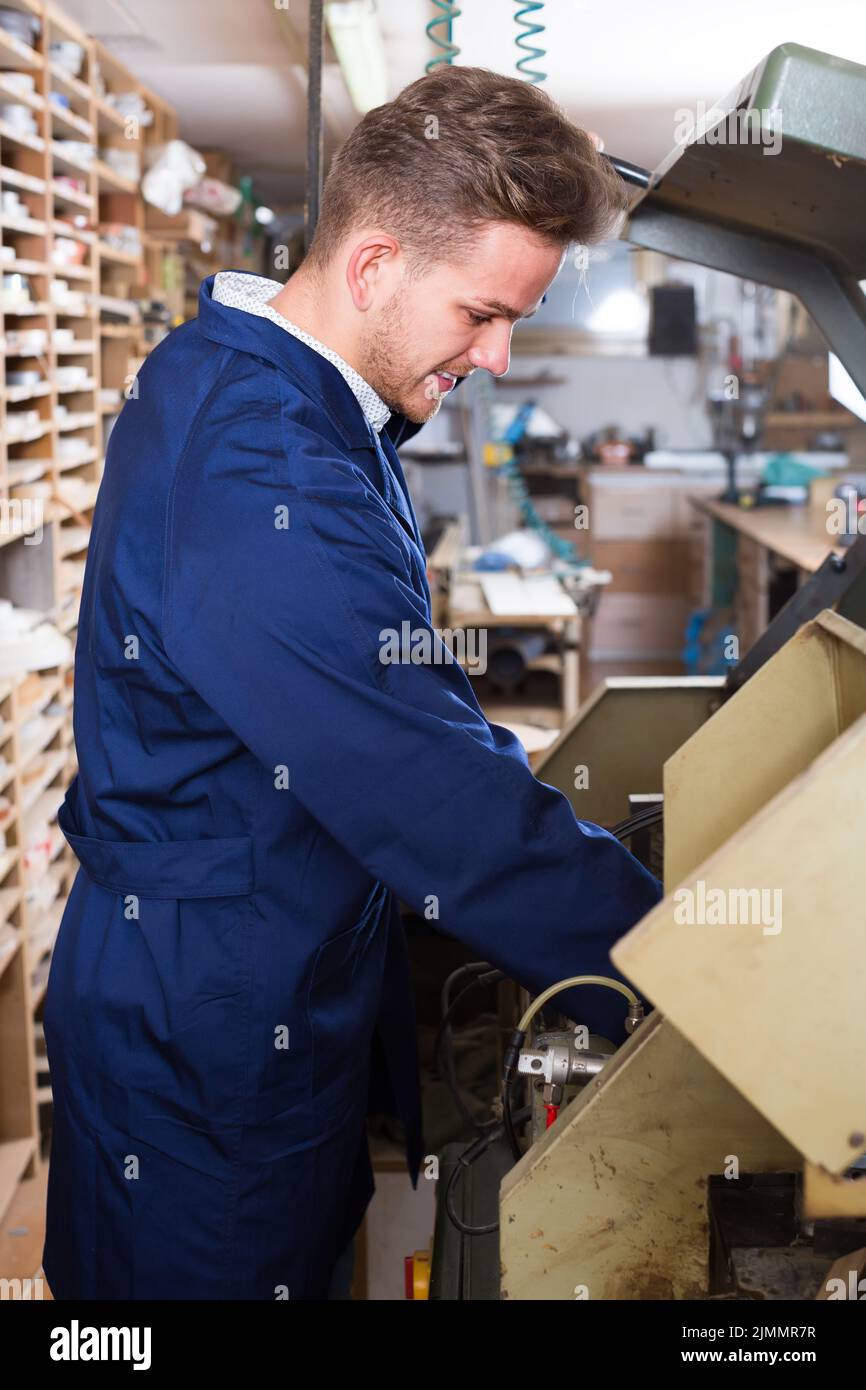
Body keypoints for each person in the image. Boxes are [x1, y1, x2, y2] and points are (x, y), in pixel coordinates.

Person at [42, 65, 660, 1301]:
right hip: (207, 1031)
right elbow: (423, 789)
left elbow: (380, 700)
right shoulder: (259, 460)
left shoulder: (282, 391)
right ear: (373, 265)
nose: (494, 354)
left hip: (257, 972)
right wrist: (677, 971)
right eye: (481, 312)